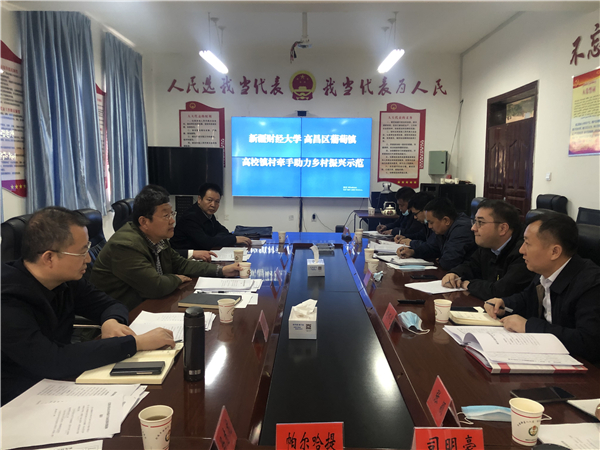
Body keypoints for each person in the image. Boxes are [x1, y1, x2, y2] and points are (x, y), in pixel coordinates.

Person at [1, 206, 176, 405]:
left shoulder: (66, 280)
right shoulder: (7, 301)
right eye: (82, 252)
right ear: (49, 257)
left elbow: (110, 304)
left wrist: (111, 321)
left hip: (56, 383)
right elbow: (52, 361)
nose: (89, 258)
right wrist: (136, 343)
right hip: (16, 399)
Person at [91, 185, 241, 310]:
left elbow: (181, 264)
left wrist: (221, 270)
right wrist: (176, 279)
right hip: (122, 316)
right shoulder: (125, 245)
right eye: (166, 216)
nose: (172, 221)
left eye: (172, 214)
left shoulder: (159, 238)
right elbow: (155, 286)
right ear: (144, 222)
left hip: (150, 305)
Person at [485, 214, 600, 363]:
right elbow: (527, 298)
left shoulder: (591, 285)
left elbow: (588, 342)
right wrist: (504, 304)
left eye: (527, 243)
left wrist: (529, 326)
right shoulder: (546, 272)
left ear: (554, 252)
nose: (521, 250)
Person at [442, 199, 534, 299]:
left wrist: (469, 284)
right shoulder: (488, 244)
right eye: (475, 221)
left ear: (502, 228)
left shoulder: (523, 252)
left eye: (480, 222)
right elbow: (472, 265)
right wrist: (455, 273)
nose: (473, 228)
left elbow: (502, 291)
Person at [397, 197, 476, 270]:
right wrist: (413, 252)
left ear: (446, 220)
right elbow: (432, 248)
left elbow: (448, 262)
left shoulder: (462, 229)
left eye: (431, 222)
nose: (429, 226)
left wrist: (440, 258)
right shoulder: (444, 229)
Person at [171, 183, 252, 251]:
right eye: (209, 200)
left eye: (217, 201)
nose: (213, 205)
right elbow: (206, 243)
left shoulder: (208, 215)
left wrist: (213, 239)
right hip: (183, 259)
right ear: (199, 199)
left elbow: (223, 231)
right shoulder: (190, 217)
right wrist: (234, 239)